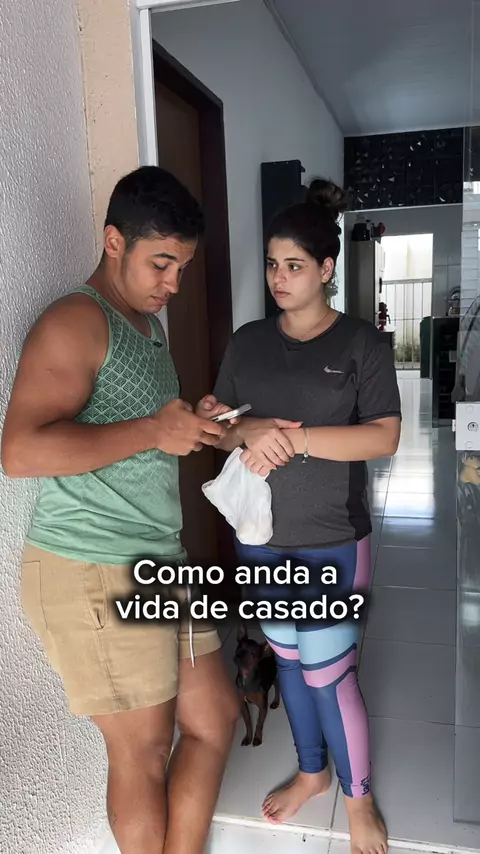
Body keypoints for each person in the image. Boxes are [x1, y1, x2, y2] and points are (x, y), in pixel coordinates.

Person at [1, 165, 241, 854]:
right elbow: (19, 452)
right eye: (161, 263)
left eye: (182, 267)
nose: (173, 283)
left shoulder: (149, 328)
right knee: (143, 748)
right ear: (114, 242)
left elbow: (143, 429)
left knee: (215, 716)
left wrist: (191, 421)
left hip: (157, 559)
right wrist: (153, 431)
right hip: (91, 564)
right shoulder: (76, 321)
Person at [209, 179, 401, 854]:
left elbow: (383, 436)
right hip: (261, 535)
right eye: (272, 264)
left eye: (294, 265)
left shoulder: (361, 345)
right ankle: (313, 772)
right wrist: (247, 428)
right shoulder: (248, 342)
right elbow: (217, 421)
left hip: (331, 537)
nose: (279, 278)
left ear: (326, 268)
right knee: (287, 658)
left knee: (329, 671)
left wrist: (296, 441)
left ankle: (359, 800)